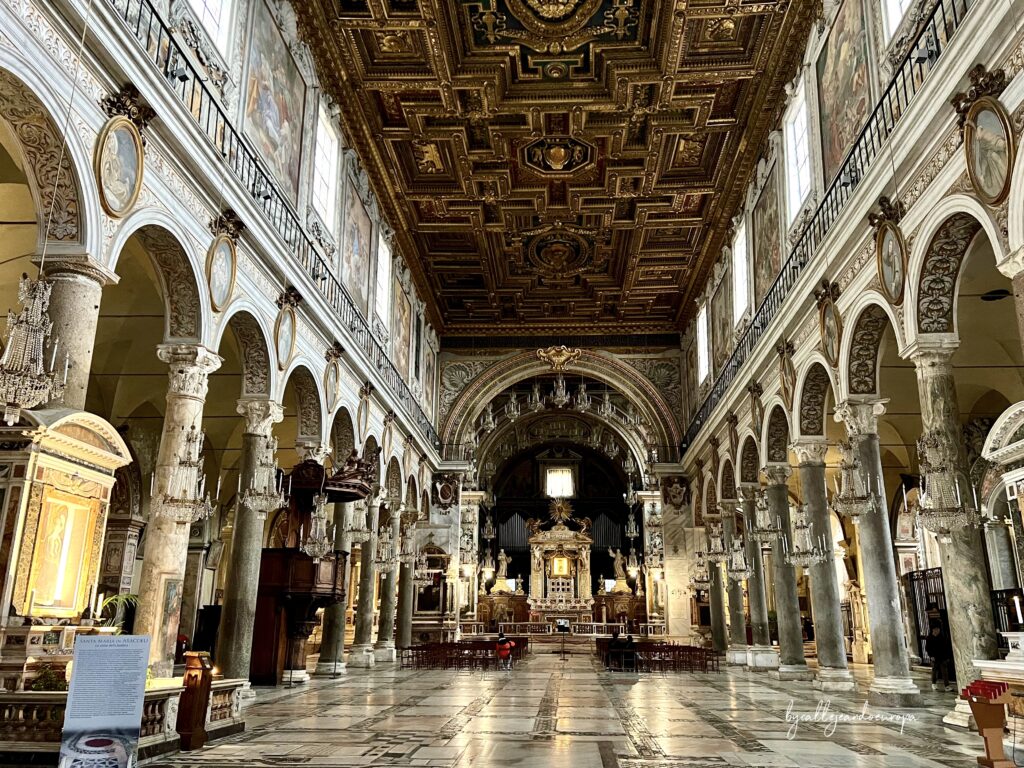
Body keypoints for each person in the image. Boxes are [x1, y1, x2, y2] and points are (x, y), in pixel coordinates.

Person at [925, 623, 953, 692]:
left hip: (942, 656)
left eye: (938, 629)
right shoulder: (929, 638)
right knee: (935, 671)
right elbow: (928, 648)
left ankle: (947, 686)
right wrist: (931, 656)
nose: (937, 631)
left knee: (945, 671)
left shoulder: (942, 637)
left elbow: (946, 647)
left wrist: (947, 657)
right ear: (933, 630)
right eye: (936, 629)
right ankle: (934, 683)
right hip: (934, 657)